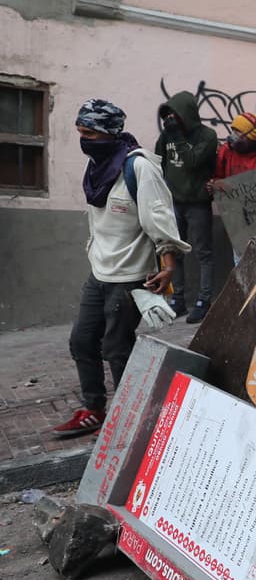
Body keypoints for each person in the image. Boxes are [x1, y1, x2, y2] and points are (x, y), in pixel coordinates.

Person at [55, 99, 191, 436]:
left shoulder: (139, 168)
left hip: (131, 277)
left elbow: (159, 218)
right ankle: (94, 409)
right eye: (80, 132)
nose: (83, 139)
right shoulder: (98, 167)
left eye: (89, 132)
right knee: (82, 341)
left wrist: (169, 266)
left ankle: (133, 415)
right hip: (99, 271)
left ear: (109, 133)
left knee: (116, 348)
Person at [154, 91, 217, 323]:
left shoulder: (207, 136)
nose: (171, 119)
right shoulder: (166, 136)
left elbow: (191, 162)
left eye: (175, 114)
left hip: (197, 204)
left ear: (186, 114)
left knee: (203, 253)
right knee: (174, 252)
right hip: (174, 204)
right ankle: (177, 299)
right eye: (168, 115)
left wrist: (178, 136)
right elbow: (158, 163)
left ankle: (203, 300)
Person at [211, 113, 256, 274]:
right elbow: (218, 177)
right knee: (242, 267)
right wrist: (217, 186)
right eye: (233, 130)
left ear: (251, 137)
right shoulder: (227, 151)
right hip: (238, 221)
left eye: (238, 133)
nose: (233, 136)